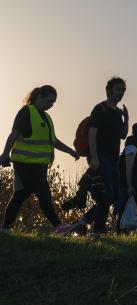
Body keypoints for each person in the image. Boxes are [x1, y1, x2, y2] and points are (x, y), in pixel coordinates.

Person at [1, 86, 80, 232]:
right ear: (39, 97)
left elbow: (53, 141)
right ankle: (58, 226)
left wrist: (71, 152)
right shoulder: (26, 112)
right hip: (25, 163)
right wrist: (5, 154)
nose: (51, 105)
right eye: (50, 101)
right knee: (44, 194)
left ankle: (5, 228)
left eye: (54, 103)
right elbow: (13, 134)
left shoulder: (46, 117)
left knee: (20, 195)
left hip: (39, 165)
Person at [84, 77, 129, 235]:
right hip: (100, 156)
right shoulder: (100, 109)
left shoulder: (118, 112)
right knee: (106, 193)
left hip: (113, 157)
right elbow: (92, 133)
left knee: (115, 194)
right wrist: (94, 158)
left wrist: (126, 118)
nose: (121, 93)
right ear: (110, 90)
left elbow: (123, 136)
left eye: (123, 90)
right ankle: (98, 230)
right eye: (118, 89)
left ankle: (84, 221)